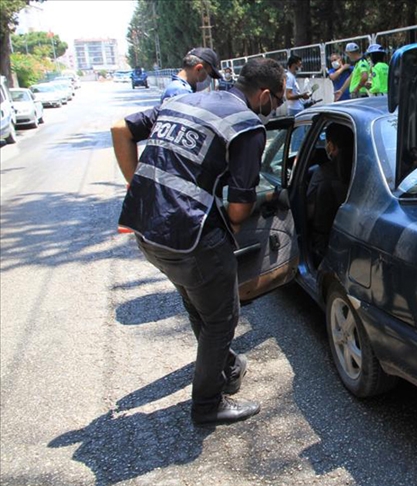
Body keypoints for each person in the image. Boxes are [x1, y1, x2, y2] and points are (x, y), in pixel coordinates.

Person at [111, 58, 287, 425]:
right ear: (264, 95)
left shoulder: (181, 101)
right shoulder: (246, 125)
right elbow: (239, 207)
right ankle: (207, 406)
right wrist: (238, 224)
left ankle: (227, 368)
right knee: (222, 318)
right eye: (279, 99)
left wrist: (138, 184)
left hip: (145, 227)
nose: (277, 107)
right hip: (189, 237)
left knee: (199, 304)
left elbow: (120, 129)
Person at [306, 123, 353, 265]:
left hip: (324, 244)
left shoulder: (321, 174)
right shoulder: (364, 169)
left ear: (331, 146)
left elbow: (309, 213)